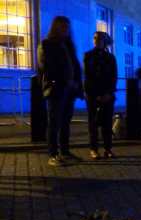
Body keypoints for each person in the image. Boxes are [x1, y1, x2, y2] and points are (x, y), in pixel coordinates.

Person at [37, 16, 83, 166]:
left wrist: (77, 83)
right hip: (56, 89)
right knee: (54, 122)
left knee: (65, 122)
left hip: (69, 90)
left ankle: (65, 151)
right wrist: (63, 81)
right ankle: (53, 154)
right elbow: (47, 68)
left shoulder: (68, 45)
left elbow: (75, 66)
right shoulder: (47, 44)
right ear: (56, 27)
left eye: (67, 27)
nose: (66, 30)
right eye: (63, 27)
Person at [83, 31, 117, 160]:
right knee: (93, 123)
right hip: (93, 95)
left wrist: (109, 93)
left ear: (104, 41)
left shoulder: (110, 57)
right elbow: (87, 76)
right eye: (94, 38)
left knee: (107, 123)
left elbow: (113, 76)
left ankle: (108, 149)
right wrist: (94, 94)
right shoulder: (88, 55)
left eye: (99, 38)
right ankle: (94, 149)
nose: (96, 40)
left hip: (107, 95)